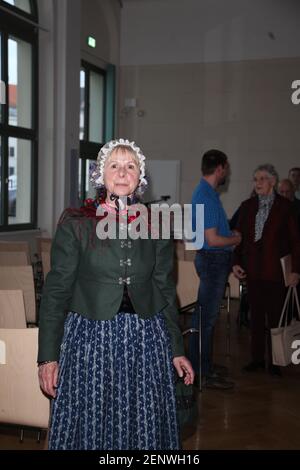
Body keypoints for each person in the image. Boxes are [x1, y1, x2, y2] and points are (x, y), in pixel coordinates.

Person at [38, 138, 194, 450]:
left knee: (143, 423)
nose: (122, 173)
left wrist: (177, 347)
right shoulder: (76, 223)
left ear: (140, 177)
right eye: (114, 165)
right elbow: (56, 292)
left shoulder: (157, 224)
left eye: (130, 166)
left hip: (145, 341)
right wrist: (48, 356)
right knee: (90, 424)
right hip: (89, 340)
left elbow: (165, 289)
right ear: (100, 175)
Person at [233, 164, 300, 376]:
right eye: (255, 179)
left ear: (272, 181)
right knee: (255, 317)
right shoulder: (247, 206)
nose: (258, 183)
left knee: (275, 318)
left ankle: (275, 361)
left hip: (276, 273)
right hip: (253, 272)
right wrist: (235, 262)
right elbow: (238, 238)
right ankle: (257, 359)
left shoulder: (285, 207)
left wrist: (295, 271)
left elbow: (296, 242)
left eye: (262, 178)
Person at [189, 149, 241, 390]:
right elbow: (213, 239)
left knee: (205, 318)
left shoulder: (206, 193)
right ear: (219, 168)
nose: (226, 172)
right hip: (212, 261)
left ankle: (204, 366)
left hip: (212, 261)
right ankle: (201, 372)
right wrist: (235, 239)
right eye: (226, 168)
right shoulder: (206, 196)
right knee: (205, 320)